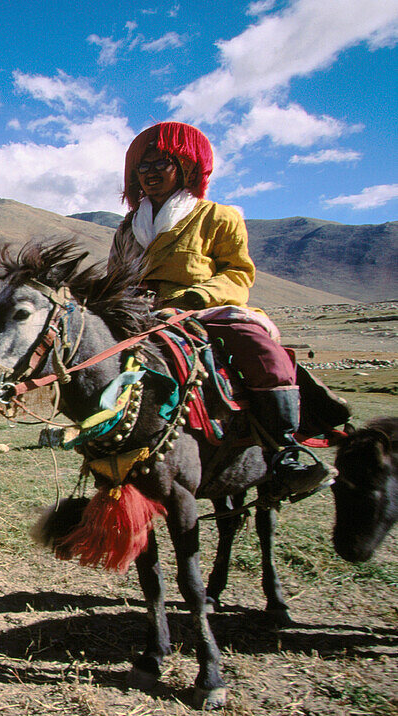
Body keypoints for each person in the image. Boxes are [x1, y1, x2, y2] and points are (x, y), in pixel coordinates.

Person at [107, 121, 333, 499]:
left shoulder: (218, 217)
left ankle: (285, 452)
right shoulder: (129, 227)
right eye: (141, 166)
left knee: (263, 352)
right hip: (139, 313)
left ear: (186, 166)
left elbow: (239, 272)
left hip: (203, 309)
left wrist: (196, 297)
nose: (148, 173)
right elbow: (115, 275)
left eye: (160, 162)